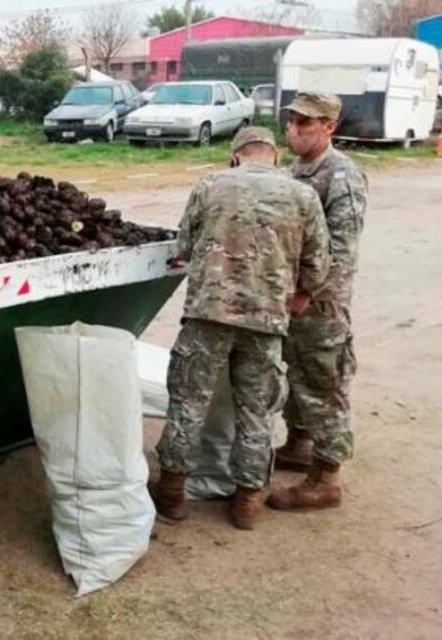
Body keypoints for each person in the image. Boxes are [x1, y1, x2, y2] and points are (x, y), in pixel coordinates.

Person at [151, 127, 329, 530]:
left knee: (188, 402)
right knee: (256, 411)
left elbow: (183, 247)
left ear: (235, 156)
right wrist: (296, 296)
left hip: (207, 317)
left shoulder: (210, 185)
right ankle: (247, 501)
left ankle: (173, 494)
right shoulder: (303, 195)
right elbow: (318, 265)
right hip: (266, 322)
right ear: (275, 157)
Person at [268, 93, 369, 511]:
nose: (293, 130)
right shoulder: (298, 171)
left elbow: (343, 252)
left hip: (320, 305)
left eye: (304, 123)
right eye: (290, 121)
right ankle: (299, 444)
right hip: (293, 297)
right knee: (296, 377)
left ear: (329, 126)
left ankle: (326, 477)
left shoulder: (341, 175)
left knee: (324, 384)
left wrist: (308, 293)